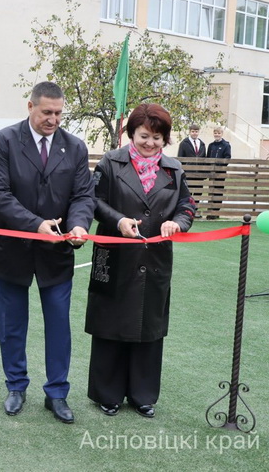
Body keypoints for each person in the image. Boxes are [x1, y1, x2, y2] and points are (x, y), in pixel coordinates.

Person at [0, 81, 95, 424]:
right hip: (11, 248)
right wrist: (35, 225)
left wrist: (77, 226)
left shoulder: (75, 147)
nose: (53, 119)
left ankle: (57, 393)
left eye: (59, 113)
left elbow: (83, 196)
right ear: (29, 106)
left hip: (57, 252)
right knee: (12, 324)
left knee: (59, 325)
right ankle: (16, 386)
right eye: (47, 112)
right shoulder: (4, 140)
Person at [85, 103, 196, 418]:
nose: (150, 143)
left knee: (150, 327)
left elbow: (187, 206)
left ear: (165, 139)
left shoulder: (174, 169)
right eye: (144, 136)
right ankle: (107, 393)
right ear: (131, 133)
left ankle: (143, 395)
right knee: (110, 323)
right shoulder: (110, 162)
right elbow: (94, 201)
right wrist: (119, 220)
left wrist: (178, 223)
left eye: (157, 138)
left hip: (156, 260)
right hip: (116, 257)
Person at [177, 124, 206, 216]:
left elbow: (204, 158)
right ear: (189, 132)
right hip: (188, 172)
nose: (194, 133)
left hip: (199, 172)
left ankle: (196, 210)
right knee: (188, 192)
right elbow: (180, 158)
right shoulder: (184, 143)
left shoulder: (202, 143)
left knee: (198, 191)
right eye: (193, 131)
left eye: (196, 131)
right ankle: (188, 211)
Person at [206, 126, 231, 219]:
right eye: (215, 133)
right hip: (211, 172)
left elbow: (227, 158)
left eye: (219, 133)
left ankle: (216, 212)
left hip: (220, 172)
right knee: (211, 191)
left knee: (218, 191)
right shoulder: (211, 145)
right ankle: (210, 211)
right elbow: (208, 157)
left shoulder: (226, 145)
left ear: (222, 134)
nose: (217, 135)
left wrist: (220, 167)